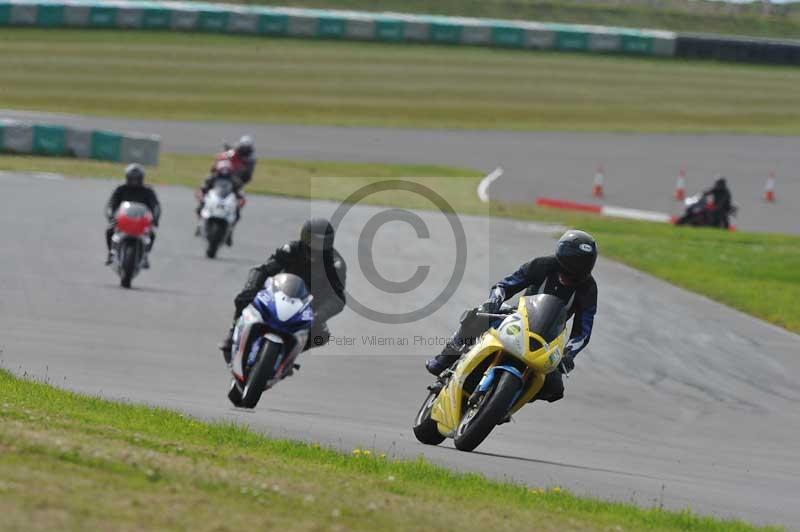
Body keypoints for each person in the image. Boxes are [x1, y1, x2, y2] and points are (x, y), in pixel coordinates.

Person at [425, 230, 598, 404]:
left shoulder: (588, 289)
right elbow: (505, 285)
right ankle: (446, 358)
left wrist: (568, 355)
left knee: (554, 389)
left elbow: (583, 331)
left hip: (549, 339)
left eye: (582, 267)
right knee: (477, 316)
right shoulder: (542, 265)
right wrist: (493, 301)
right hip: (519, 318)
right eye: (571, 266)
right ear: (561, 259)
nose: (573, 273)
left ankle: (508, 402)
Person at [219, 218, 347, 365]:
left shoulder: (335, 264)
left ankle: (288, 356)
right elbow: (263, 270)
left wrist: (319, 315)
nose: (318, 247)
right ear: (305, 237)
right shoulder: (291, 249)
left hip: (308, 307)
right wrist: (251, 287)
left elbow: (338, 297)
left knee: (321, 336)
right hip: (279, 293)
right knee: (244, 298)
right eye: (314, 241)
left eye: (323, 243)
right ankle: (233, 332)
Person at [104, 163, 161, 267]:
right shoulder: (121, 189)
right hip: (123, 220)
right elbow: (111, 204)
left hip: (141, 222)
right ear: (127, 177)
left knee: (151, 234)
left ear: (141, 178)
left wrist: (155, 219)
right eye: (132, 178)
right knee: (109, 230)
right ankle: (111, 253)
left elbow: (156, 206)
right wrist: (111, 216)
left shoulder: (148, 191)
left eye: (137, 178)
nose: (134, 181)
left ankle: (145, 256)